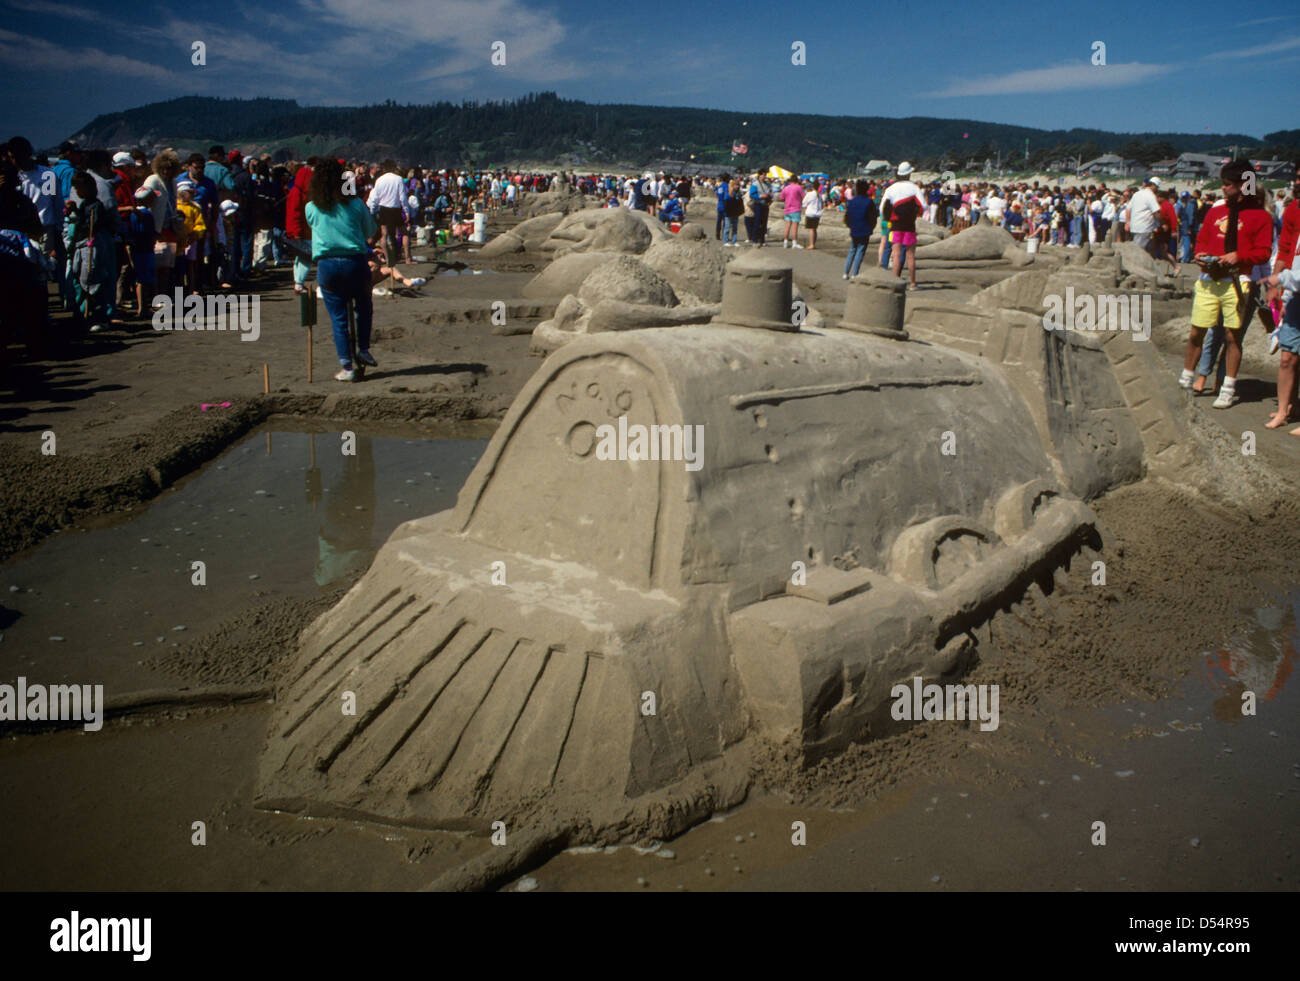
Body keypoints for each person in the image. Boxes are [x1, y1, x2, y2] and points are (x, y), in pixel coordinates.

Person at [1181, 160, 1273, 409]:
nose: (1223, 189)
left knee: (1233, 337)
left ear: (1244, 186)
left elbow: (1264, 252)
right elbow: (1202, 240)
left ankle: (1228, 386)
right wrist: (1199, 255)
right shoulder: (1215, 211)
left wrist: (1239, 256)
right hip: (1209, 280)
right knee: (1196, 332)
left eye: (1228, 185)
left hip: (1239, 282)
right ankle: (1186, 380)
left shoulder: (1261, 216)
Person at [306, 157, 379, 383]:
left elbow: (313, 227)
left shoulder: (312, 207)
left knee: (339, 318)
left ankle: (346, 366)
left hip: (328, 264)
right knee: (364, 306)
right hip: (354, 261)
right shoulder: (355, 204)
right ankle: (363, 348)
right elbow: (370, 230)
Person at [881, 162, 925, 290]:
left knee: (896, 254)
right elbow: (924, 206)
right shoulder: (914, 188)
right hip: (910, 225)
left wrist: (889, 218)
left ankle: (895, 281)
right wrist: (914, 213)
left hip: (895, 225)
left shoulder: (891, 189)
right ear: (909, 174)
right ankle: (912, 283)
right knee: (910, 255)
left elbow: (882, 208)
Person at [842, 179, 877, 280]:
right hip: (865, 229)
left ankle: (845, 272)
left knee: (852, 250)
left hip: (854, 228)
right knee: (860, 251)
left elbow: (847, 216)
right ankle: (855, 273)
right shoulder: (869, 202)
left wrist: (850, 226)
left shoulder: (852, 202)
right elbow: (873, 217)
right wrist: (871, 227)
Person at [1128, 176, 1162, 256]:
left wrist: (1128, 221)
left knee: (1137, 249)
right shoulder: (1150, 196)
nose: (1157, 190)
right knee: (1139, 252)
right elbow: (1156, 212)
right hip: (1144, 227)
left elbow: (1128, 208)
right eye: (1157, 187)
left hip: (1134, 226)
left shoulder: (1137, 194)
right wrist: (1162, 223)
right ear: (1153, 186)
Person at [780, 175, 803, 248]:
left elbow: (781, 198)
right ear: (796, 180)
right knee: (795, 226)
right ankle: (794, 242)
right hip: (796, 208)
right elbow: (803, 196)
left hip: (787, 209)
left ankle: (785, 242)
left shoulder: (786, 188)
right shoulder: (798, 187)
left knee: (787, 225)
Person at [802, 180, 823, 249]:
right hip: (817, 213)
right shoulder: (819, 195)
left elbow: (804, 203)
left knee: (811, 229)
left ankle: (811, 244)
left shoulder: (810, 194)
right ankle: (813, 243)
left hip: (810, 212)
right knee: (814, 229)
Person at [714, 173, 730, 240]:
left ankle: (717, 235)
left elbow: (717, 193)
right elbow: (726, 196)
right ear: (727, 179)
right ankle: (724, 236)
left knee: (719, 221)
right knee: (725, 222)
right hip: (725, 205)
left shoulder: (719, 186)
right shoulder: (726, 186)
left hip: (719, 204)